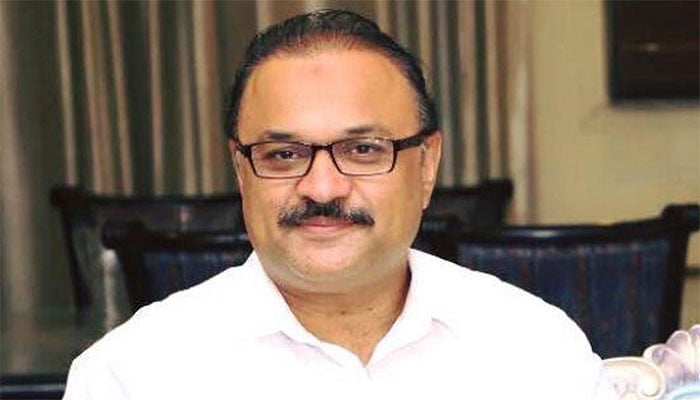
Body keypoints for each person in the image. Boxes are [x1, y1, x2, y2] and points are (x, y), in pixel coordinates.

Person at [63, 9, 616, 399]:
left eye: (363, 150)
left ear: (426, 166)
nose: (322, 188)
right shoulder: (134, 376)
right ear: (241, 171)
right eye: (284, 155)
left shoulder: (534, 350)